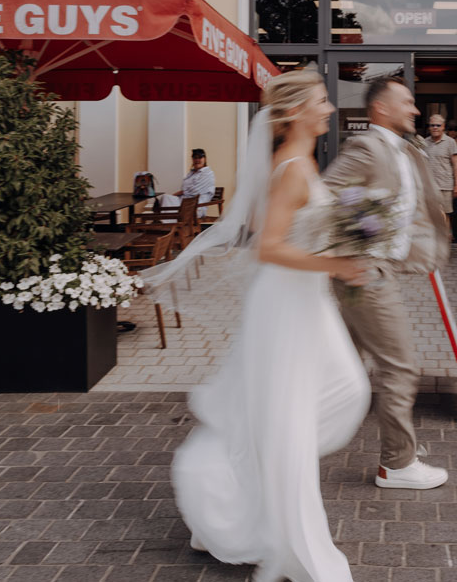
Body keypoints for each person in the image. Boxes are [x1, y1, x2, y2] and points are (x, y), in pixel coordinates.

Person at [141, 71, 371, 581]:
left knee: (342, 391)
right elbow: (269, 247)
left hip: (306, 299)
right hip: (287, 302)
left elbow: (301, 234)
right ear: (295, 113)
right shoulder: (291, 167)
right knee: (295, 409)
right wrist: (336, 263)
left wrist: (343, 245)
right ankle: (283, 524)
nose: (330, 108)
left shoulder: (303, 160)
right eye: (322, 101)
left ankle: (250, 484)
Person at [323, 76, 451, 490]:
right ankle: (398, 463)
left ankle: (293, 441)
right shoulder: (367, 147)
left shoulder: (402, 148)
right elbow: (324, 198)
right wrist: (348, 252)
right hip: (366, 271)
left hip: (381, 268)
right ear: (381, 108)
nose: (416, 111)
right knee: (401, 366)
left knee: (343, 367)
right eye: (408, 103)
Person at [425, 114, 457, 238]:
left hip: (445, 185)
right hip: (430, 187)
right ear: (429, 127)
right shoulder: (425, 142)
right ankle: (434, 242)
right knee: (431, 215)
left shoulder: (450, 142)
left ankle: (446, 241)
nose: (435, 128)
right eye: (432, 125)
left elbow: (456, 165)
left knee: (445, 215)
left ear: (443, 127)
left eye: (438, 125)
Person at [158, 148, 215, 218]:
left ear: (205, 159)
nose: (197, 160)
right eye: (195, 158)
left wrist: (184, 192)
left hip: (196, 206)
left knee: (169, 202)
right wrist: (172, 196)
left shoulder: (207, 173)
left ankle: (169, 225)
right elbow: (185, 190)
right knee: (165, 197)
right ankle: (166, 224)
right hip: (184, 201)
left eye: (200, 157)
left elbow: (194, 191)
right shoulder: (191, 173)